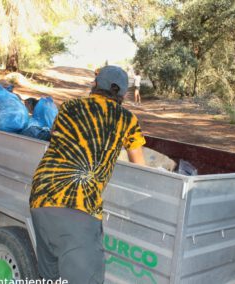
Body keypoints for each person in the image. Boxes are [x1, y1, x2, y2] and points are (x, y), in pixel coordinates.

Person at [30, 65, 146, 283]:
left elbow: (55, 135)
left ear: (95, 85)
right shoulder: (126, 119)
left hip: (41, 197)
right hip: (78, 205)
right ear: (123, 94)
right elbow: (139, 163)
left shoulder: (70, 106)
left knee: (50, 277)